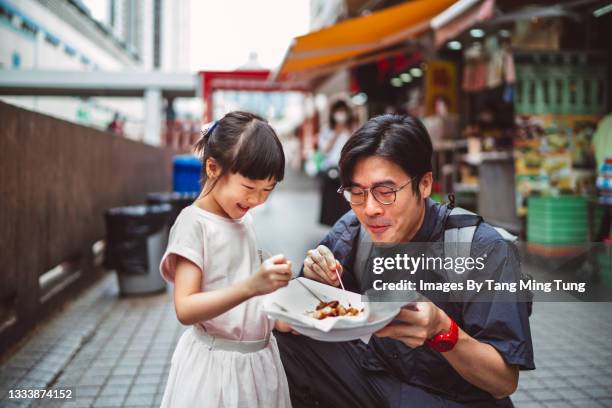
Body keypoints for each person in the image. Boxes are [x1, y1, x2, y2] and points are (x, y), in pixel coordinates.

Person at [276, 114, 534, 407]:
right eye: (356, 193)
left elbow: (503, 381)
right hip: (377, 382)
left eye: (385, 192)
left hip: (452, 400)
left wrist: (442, 330)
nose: (369, 209)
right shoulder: (351, 230)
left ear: (424, 185)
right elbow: (301, 312)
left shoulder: (482, 248)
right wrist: (312, 280)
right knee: (284, 345)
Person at [159, 111, 293, 407]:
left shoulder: (241, 217)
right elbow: (185, 307)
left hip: (258, 364)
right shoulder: (194, 224)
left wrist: (281, 319)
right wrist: (252, 286)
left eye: (267, 191)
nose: (257, 200)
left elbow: (246, 299)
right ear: (213, 168)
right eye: (249, 188)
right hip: (217, 371)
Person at [318, 100, 354, 226]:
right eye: (338, 111)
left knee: (346, 202)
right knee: (332, 202)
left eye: (343, 111)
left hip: (348, 170)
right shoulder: (327, 129)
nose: (341, 114)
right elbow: (324, 150)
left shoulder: (352, 129)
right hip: (331, 170)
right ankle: (334, 227)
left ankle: (347, 224)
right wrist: (336, 133)